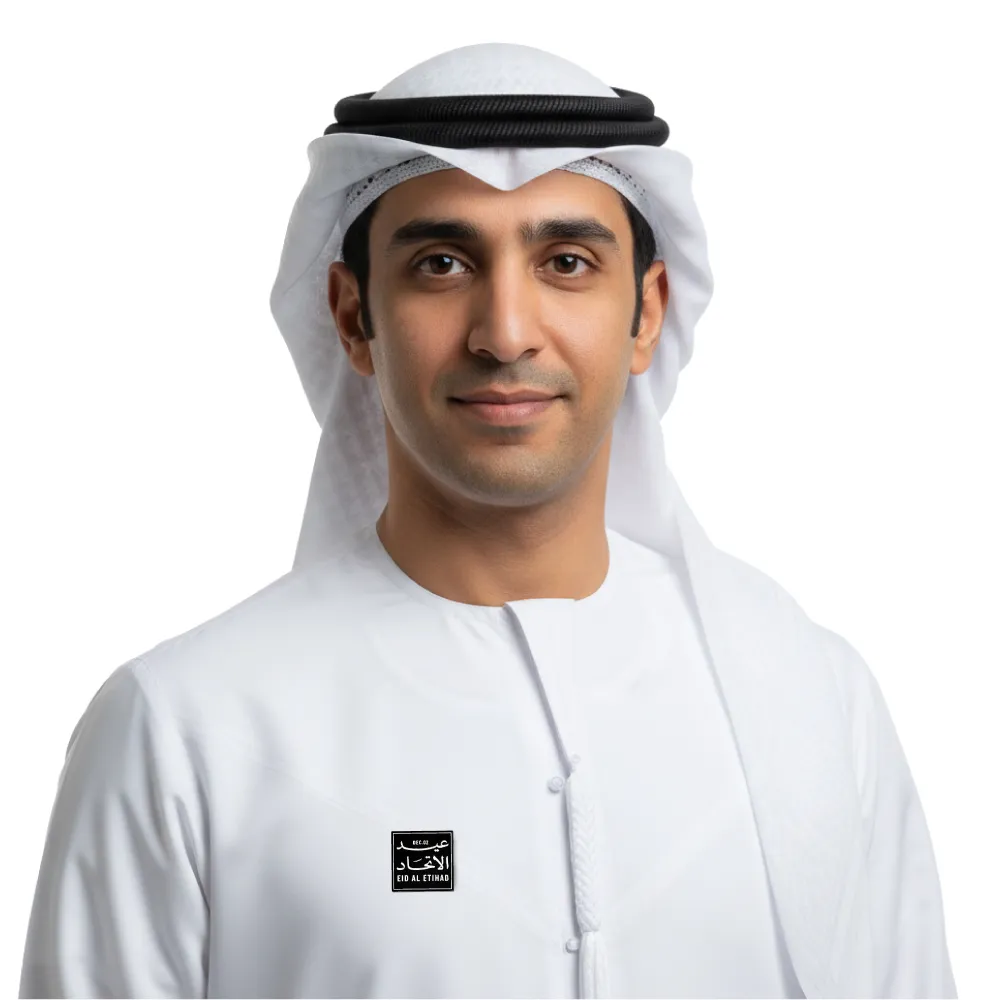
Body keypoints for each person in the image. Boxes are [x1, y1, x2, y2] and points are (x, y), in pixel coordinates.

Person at [18, 43, 957, 999]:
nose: (505, 332)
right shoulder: (185, 729)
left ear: (646, 314)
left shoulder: (814, 695)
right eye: (441, 263)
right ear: (352, 316)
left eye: (567, 263)